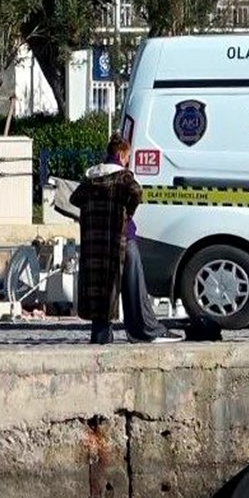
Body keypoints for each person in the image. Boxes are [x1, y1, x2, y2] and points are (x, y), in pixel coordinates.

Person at [70, 134, 181, 345]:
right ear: (121, 155)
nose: (128, 161)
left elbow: (75, 198)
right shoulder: (123, 177)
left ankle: (101, 334)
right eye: (127, 157)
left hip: (96, 241)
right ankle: (145, 330)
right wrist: (127, 212)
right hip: (122, 237)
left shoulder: (91, 177)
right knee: (134, 284)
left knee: (101, 287)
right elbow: (136, 192)